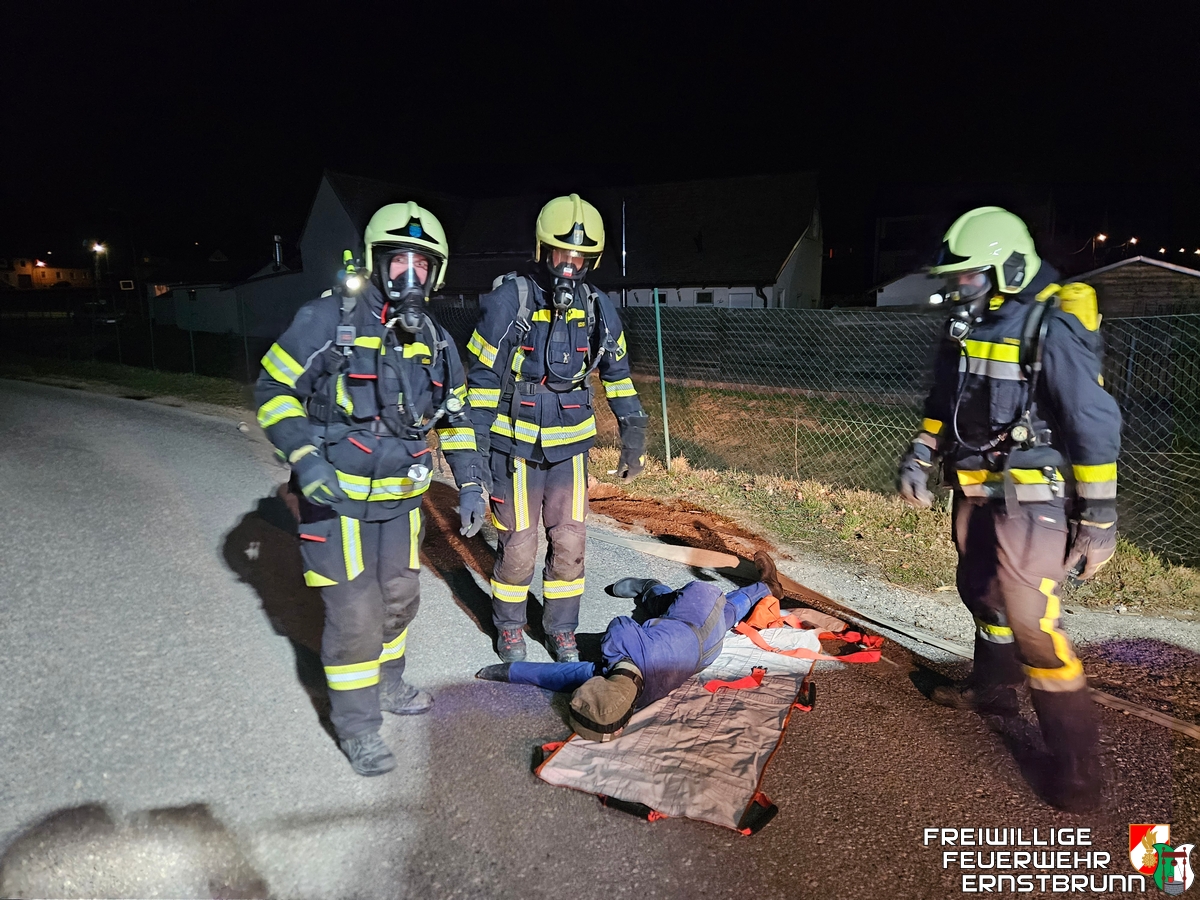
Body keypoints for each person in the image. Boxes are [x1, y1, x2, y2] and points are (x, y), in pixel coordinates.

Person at [897, 207, 1121, 811]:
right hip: (974, 488)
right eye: (955, 277)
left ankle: (1078, 772)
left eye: (968, 275)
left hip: (1033, 496)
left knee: (1033, 626)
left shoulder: (1051, 324)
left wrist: (1099, 515)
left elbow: (1092, 421)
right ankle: (993, 690)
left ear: (1009, 269)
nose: (958, 287)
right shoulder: (967, 322)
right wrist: (921, 452)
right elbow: (945, 397)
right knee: (980, 592)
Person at [254, 202, 487, 777]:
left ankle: (387, 682)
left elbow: (456, 418)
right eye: (397, 260)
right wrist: (305, 457)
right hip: (334, 504)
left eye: (421, 264)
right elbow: (274, 389)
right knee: (356, 614)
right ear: (374, 262)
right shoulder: (327, 320)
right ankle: (357, 727)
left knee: (401, 600)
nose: (409, 274)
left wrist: (472, 483)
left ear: (436, 273)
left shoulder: (436, 341)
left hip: (399, 504)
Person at [466, 193, 649, 664]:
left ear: (593, 261)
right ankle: (509, 627)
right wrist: (476, 460)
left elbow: (617, 375)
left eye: (580, 257)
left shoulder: (599, 309)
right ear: (542, 250)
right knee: (518, 545)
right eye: (561, 253)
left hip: (570, 452)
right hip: (516, 449)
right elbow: (482, 382)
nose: (569, 265)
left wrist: (633, 433)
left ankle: (562, 630)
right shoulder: (511, 300)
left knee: (570, 544)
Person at [476, 553, 787, 740]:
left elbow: (557, 676)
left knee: (718, 613)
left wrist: (504, 671)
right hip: (698, 612)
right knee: (691, 605)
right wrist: (613, 654)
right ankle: (653, 588)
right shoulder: (626, 652)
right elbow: (619, 627)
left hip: (706, 654)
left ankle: (764, 587)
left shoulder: (637, 698)